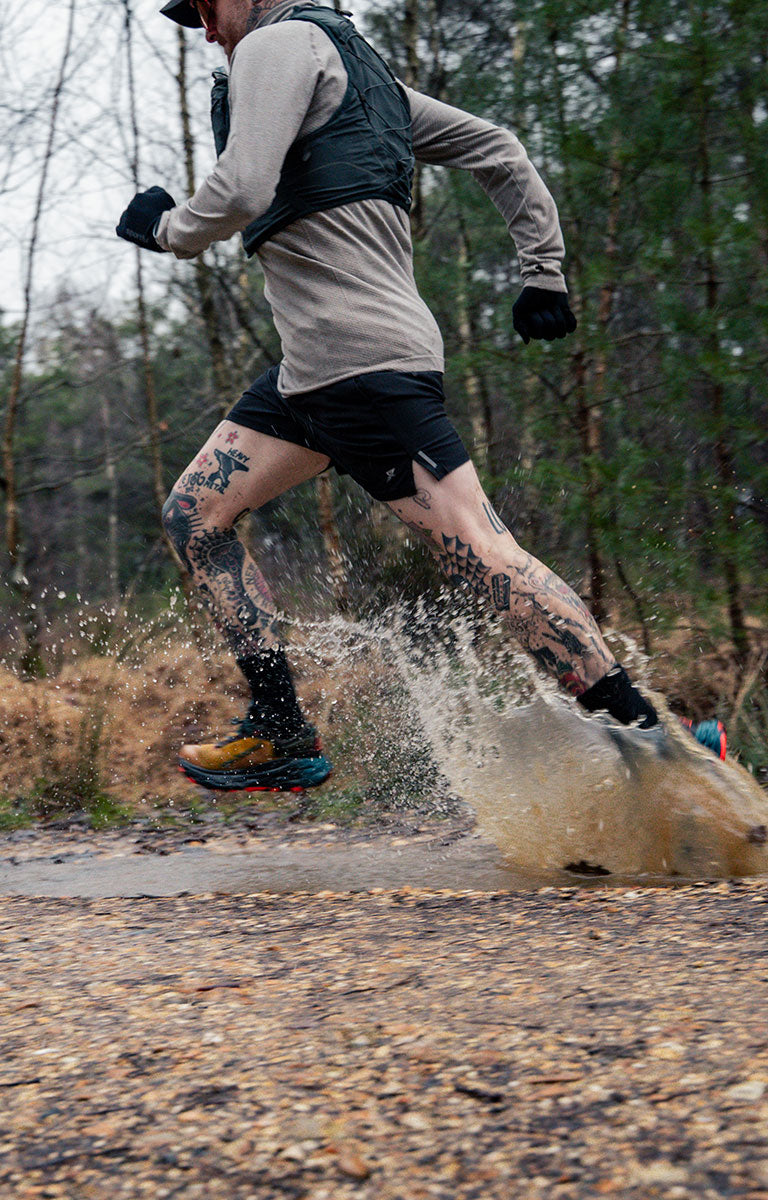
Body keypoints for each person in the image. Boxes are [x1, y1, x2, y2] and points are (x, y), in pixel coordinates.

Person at [116, 0, 726, 791]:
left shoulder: (278, 42)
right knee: (193, 515)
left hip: (363, 367)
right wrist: (542, 270)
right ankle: (279, 728)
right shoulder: (369, 79)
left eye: (200, 8)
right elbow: (499, 149)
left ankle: (657, 744)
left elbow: (242, 188)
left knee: (482, 552)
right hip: (311, 373)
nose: (202, 30)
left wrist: (168, 229)